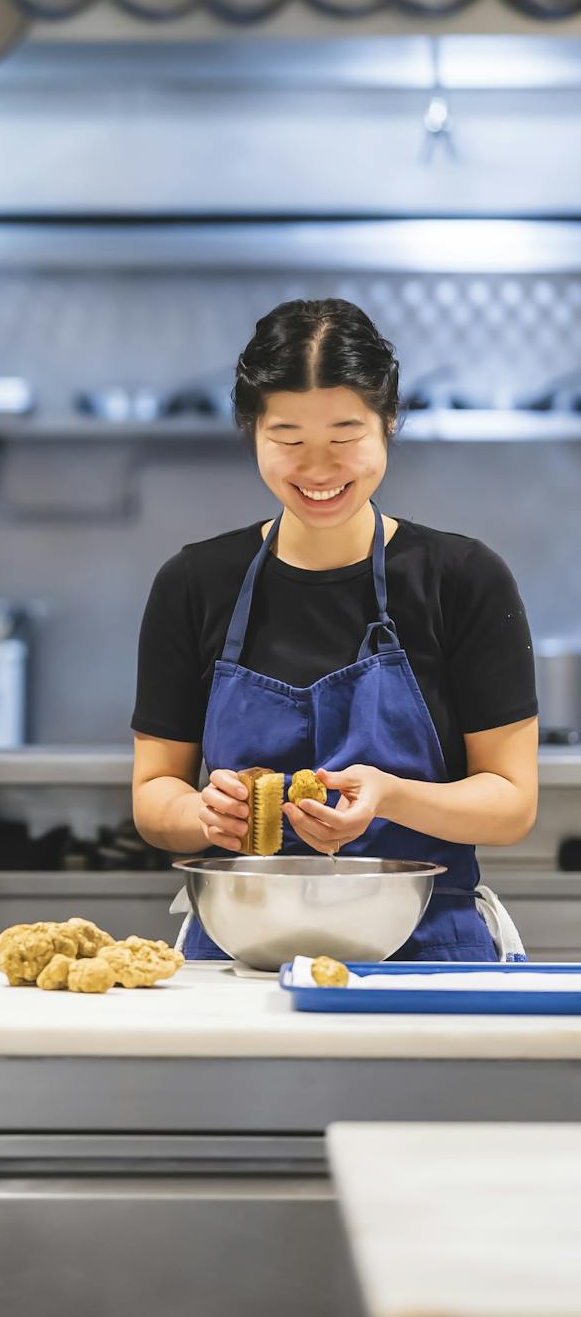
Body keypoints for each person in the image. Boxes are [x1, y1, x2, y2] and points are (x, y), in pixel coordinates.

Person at [131, 298, 538, 962]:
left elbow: (512, 803)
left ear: (389, 421)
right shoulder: (195, 582)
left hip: (427, 948)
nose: (317, 470)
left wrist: (392, 797)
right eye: (288, 440)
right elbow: (155, 795)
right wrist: (202, 814)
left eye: (345, 438)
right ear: (252, 430)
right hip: (240, 950)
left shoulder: (462, 578)